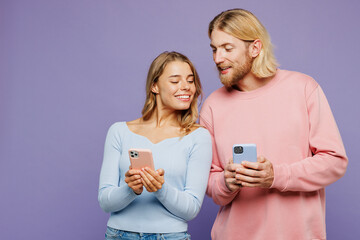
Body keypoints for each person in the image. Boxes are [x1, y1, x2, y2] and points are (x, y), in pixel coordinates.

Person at [200, 8, 348, 240]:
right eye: (214, 49)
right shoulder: (212, 105)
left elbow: (334, 161)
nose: (218, 58)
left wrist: (276, 176)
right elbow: (210, 182)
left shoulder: (303, 88)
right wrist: (225, 183)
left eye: (227, 48)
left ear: (255, 48)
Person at [98, 51, 212, 240]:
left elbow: (191, 209)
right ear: (154, 86)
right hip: (118, 235)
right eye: (175, 81)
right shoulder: (119, 131)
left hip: (170, 236)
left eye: (190, 81)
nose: (186, 87)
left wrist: (160, 189)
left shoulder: (198, 136)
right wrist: (131, 189)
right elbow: (105, 202)